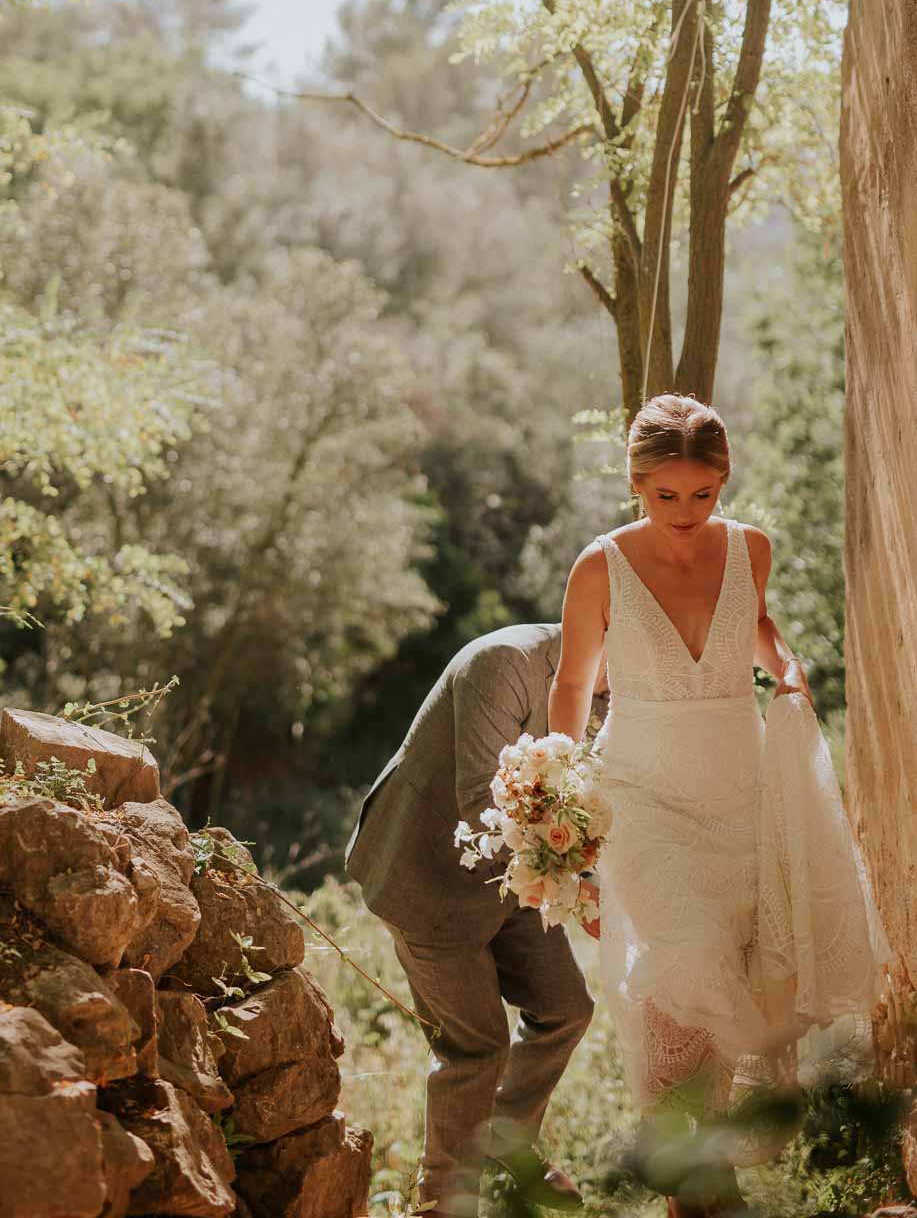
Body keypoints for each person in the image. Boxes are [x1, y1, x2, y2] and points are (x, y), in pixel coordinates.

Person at [550, 393, 887, 1216]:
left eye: (702, 494)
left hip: (739, 792)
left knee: (734, 977)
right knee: (681, 969)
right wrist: (563, 800)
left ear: (722, 481)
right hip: (642, 794)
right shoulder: (599, 564)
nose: (686, 513)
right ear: (635, 484)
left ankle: (701, 1182)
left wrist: (790, 667)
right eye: (666, 495)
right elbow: (569, 682)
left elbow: (758, 624)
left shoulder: (750, 549)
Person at [345, 623, 609, 1217]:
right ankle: (441, 1204)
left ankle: (505, 1137)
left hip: (508, 883)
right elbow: (480, 801)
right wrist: (582, 885)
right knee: (474, 1049)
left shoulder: (616, 697)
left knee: (567, 1009)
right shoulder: (502, 663)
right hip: (425, 876)